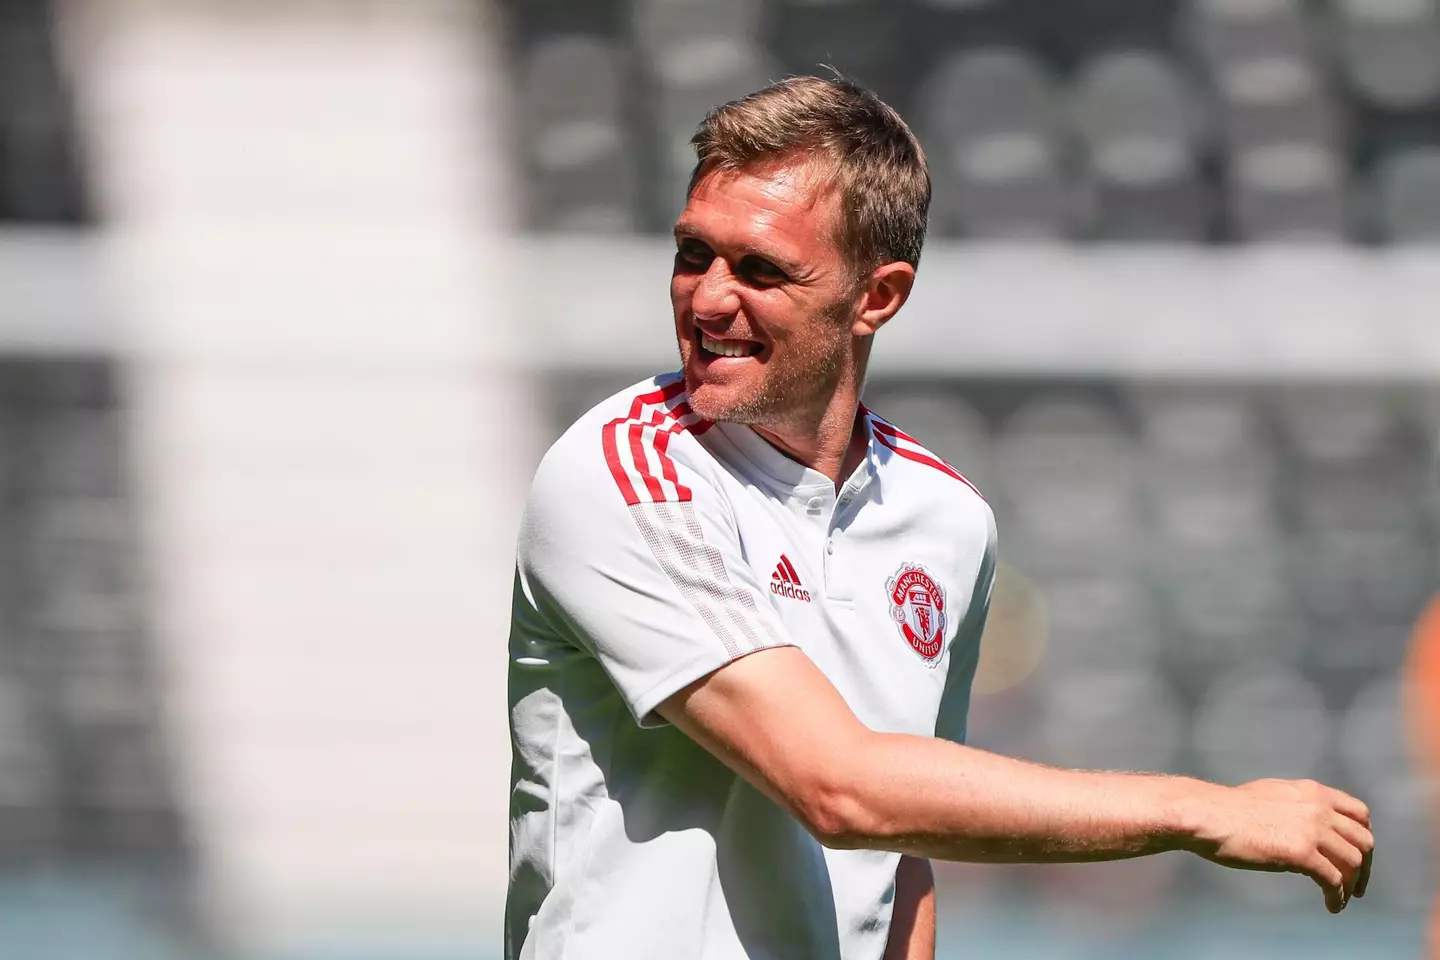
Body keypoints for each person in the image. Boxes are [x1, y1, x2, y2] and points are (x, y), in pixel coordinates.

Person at [505, 76, 1375, 960]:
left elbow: (902, 846)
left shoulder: (947, 519)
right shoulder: (621, 475)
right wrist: (1203, 811)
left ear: (878, 296)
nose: (708, 299)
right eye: (695, 254)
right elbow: (841, 789)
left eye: (762, 269)